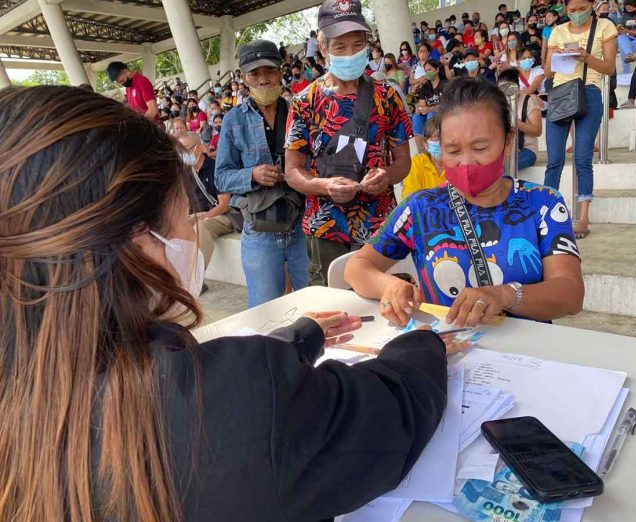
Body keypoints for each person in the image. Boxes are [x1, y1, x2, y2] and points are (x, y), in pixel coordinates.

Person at [0, 84, 460, 522]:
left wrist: (296, 340)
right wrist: (421, 343)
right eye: (184, 212)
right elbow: (393, 412)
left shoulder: (27, 399)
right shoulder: (231, 399)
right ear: (143, 242)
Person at [345, 77, 584, 327]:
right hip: (447, 351)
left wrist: (505, 295)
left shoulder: (542, 204)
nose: (467, 163)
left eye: (480, 148)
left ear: (508, 141)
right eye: (453, 151)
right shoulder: (421, 207)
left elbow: (570, 293)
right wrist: (390, 285)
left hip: (527, 355)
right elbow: (357, 266)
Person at [285, 0, 413, 287]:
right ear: (323, 49)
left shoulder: (387, 96)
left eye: (357, 45)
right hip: (325, 224)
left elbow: (403, 162)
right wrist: (324, 186)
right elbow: (292, 171)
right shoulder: (304, 101)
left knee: (383, 302)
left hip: (378, 224)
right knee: (332, 308)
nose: (350, 53)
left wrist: (386, 175)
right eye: (340, 47)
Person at [215, 40, 310, 307]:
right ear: (244, 78)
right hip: (260, 232)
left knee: (318, 304)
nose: (263, 80)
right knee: (265, 311)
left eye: (269, 71)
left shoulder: (299, 112)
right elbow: (221, 176)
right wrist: (252, 175)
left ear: (281, 72)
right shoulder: (234, 119)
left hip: (302, 224)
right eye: (254, 74)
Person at [544, 0, 617, 239]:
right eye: (571, 10)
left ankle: (583, 217)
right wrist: (559, 56)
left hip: (589, 92)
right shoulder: (558, 31)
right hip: (560, 93)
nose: (576, 14)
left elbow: (609, 68)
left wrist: (585, 57)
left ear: (591, 5)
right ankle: (546, 214)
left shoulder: (605, 27)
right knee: (554, 160)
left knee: (582, 158)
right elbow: (547, 71)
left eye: (581, 8)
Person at [178, 131, 243, 271]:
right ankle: (176, 275)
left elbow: (224, 205)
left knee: (201, 227)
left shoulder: (216, 168)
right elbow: (185, 203)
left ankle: (195, 278)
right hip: (200, 215)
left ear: (201, 147)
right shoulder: (185, 173)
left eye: (187, 148)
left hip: (223, 215)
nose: (184, 154)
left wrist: (202, 216)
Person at [498, 69, 543, 170]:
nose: (505, 92)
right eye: (502, 89)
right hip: (505, 151)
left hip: (527, 150)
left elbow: (537, 131)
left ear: (517, 88)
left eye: (508, 88)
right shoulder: (498, 104)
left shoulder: (529, 101)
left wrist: (515, 122)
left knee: (504, 168)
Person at [402, 117, 444, 198]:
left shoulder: (458, 163)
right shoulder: (417, 163)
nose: (442, 142)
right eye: (437, 137)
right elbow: (410, 200)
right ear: (425, 143)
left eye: (446, 137)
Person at [413, 60, 448, 153]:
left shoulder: (445, 85)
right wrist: (420, 110)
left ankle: (435, 146)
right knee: (416, 118)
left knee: (431, 114)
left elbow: (447, 104)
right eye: (426, 70)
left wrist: (429, 109)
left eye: (429, 70)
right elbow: (422, 104)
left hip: (444, 113)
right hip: (430, 112)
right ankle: (421, 151)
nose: (427, 73)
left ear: (437, 70)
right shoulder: (425, 87)